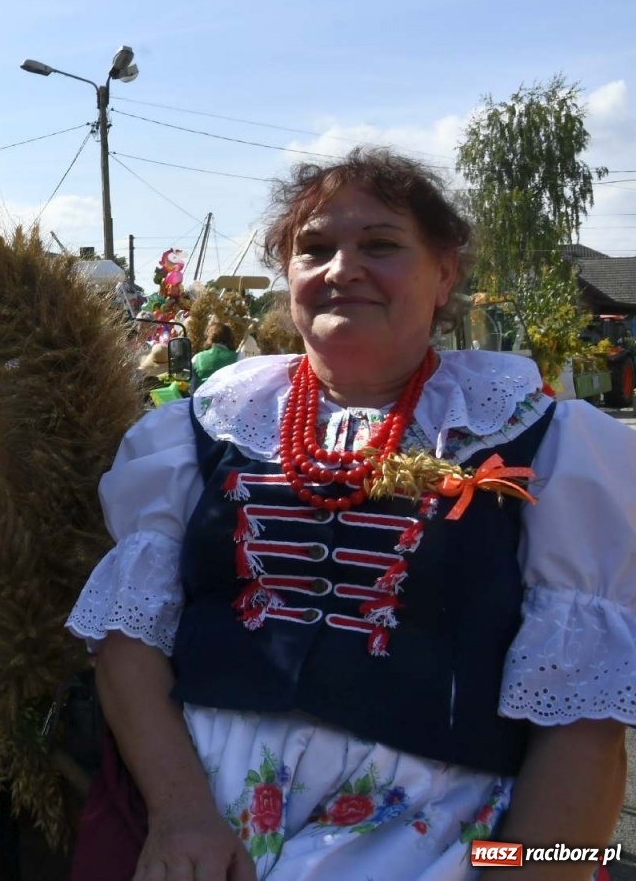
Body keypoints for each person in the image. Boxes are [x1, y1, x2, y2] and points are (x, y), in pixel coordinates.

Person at [67, 148, 636, 880]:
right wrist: (180, 816)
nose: (343, 269)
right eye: (314, 249)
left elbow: (586, 722)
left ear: (445, 273)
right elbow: (127, 640)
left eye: (381, 245)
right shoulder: (201, 429)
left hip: (440, 839)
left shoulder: (543, 440)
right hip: (198, 816)